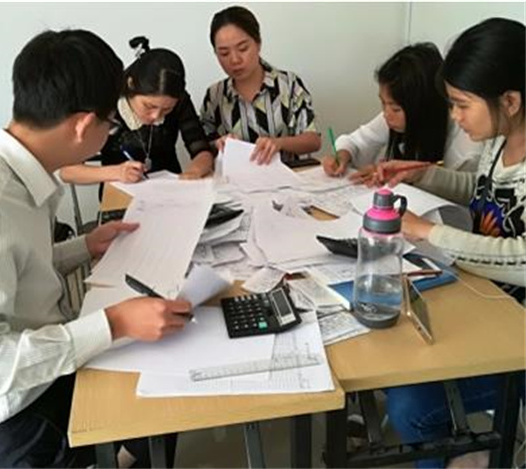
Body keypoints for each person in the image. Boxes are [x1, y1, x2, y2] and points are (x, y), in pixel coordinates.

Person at [0, 29, 192, 468]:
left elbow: (18, 270)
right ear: (84, 125)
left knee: (164, 392)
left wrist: (84, 246)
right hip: (19, 415)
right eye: (111, 123)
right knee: (154, 402)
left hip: (45, 368)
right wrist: (114, 322)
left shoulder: (18, 177)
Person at [374, 18, 525, 468]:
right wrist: (423, 174)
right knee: (391, 349)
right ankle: (465, 454)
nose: (455, 117)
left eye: (461, 105)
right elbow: (477, 190)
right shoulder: (499, 141)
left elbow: (521, 257)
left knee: (411, 406)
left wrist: (427, 231)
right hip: (485, 298)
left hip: (516, 333)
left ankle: (463, 455)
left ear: (510, 101)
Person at [60, 36, 214, 189]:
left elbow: (202, 150)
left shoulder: (179, 101)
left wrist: (193, 172)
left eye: (167, 110)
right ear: (131, 84)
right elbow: (67, 171)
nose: (156, 116)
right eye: (149, 106)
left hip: (169, 191)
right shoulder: (107, 103)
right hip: (119, 194)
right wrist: (117, 172)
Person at [322, 42, 482, 183]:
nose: (386, 114)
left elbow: (459, 195)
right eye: (383, 103)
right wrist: (342, 155)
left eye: (395, 108)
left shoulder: (466, 145)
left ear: (424, 106)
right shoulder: (392, 117)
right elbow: (356, 141)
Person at [200, 5, 321, 165]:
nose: (235, 60)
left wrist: (279, 143)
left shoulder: (289, 85)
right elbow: (201, 146)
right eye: (224, 53)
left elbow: (313, 140)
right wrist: (218, 144)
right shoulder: (215, 95)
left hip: (287, 175)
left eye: (243, 48)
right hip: (235, 179)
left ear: (258, 43)